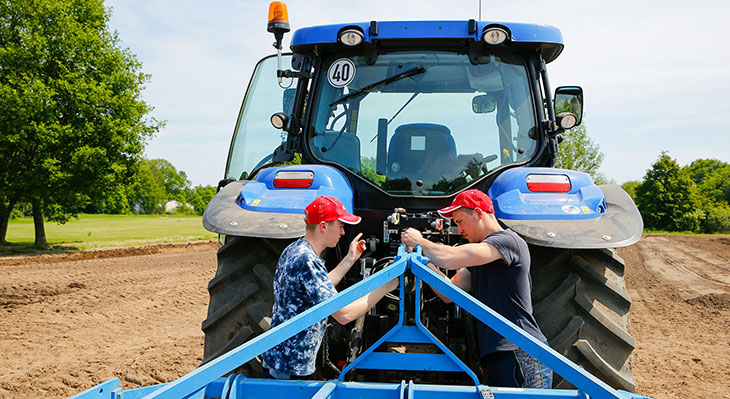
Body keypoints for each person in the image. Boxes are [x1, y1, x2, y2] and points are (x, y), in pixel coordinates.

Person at [400, 189, 552, 388]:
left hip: (521, 351)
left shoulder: (508, 241)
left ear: (479, 213)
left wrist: (420, 241)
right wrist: (422, 263)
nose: (459, 230)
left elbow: (451, 258)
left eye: (460, 221)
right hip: (498, 355)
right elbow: (449, 292)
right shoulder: (482, 258)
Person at [263, 196, 398, 380]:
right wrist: (384, 288)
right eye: (341, 226)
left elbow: (320, 288)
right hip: (291, 367)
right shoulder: (308, 260)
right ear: (324, 226)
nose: (343, 233)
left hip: (283, 360)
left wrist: (350, 258)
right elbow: (344, 315)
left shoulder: (295, 249)